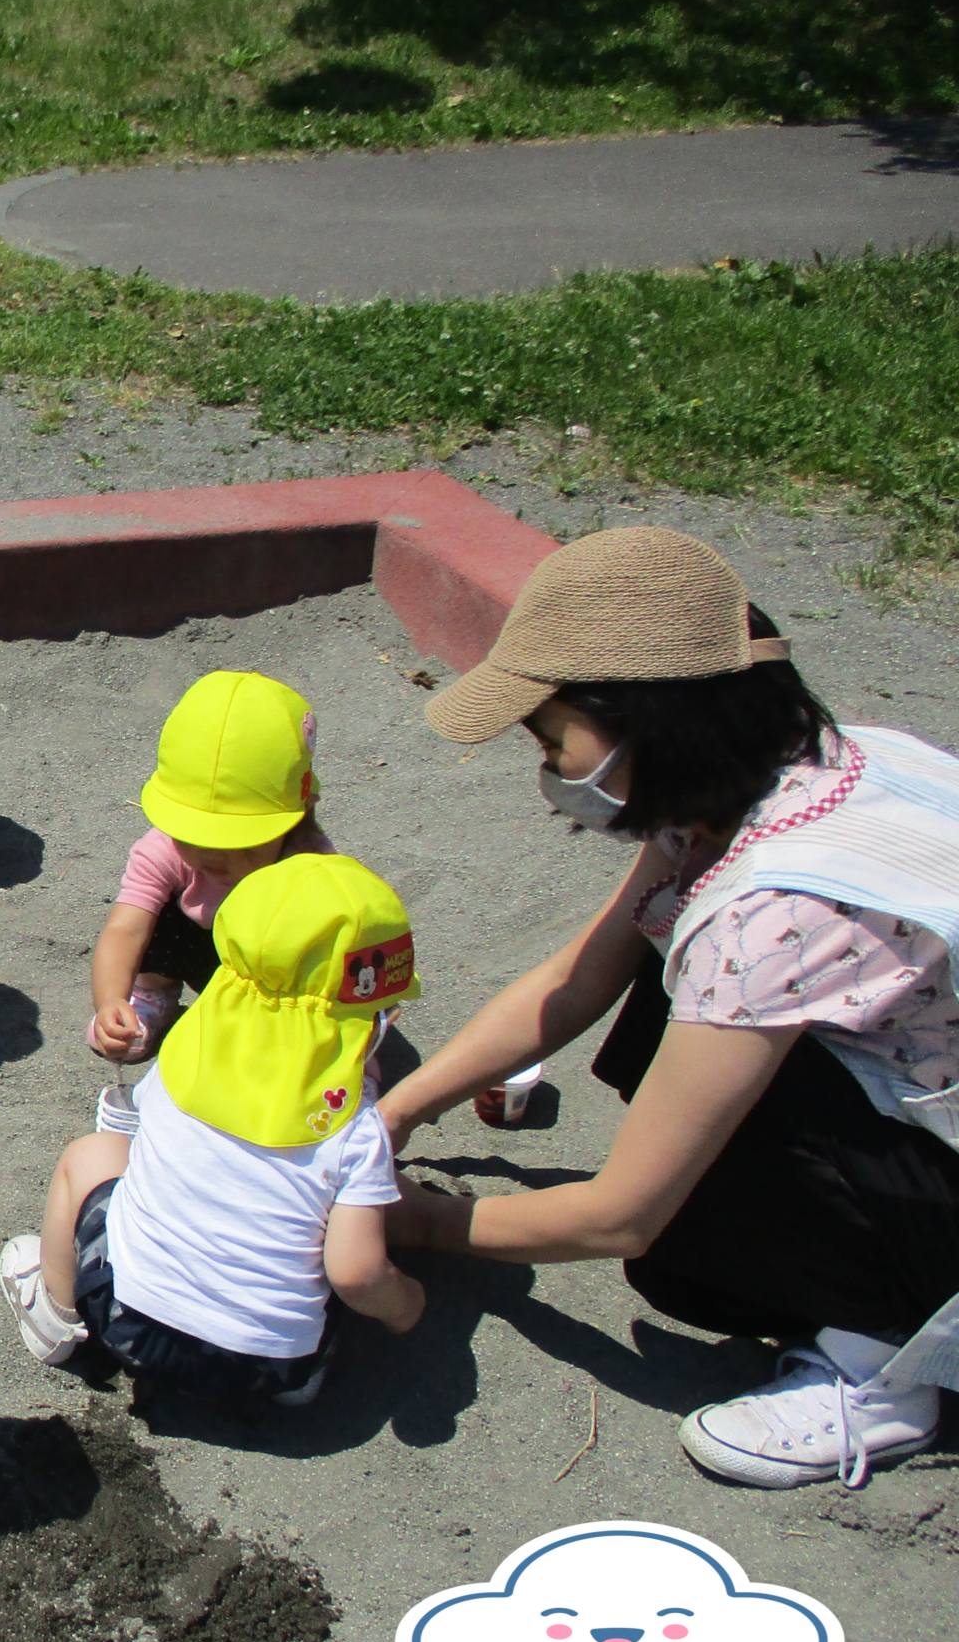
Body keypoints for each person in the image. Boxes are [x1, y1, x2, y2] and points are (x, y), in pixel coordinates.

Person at [378, 525, 959, 1490]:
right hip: (921, 1093)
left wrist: (419, 1222)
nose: (550, 765)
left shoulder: (777, 910)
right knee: (668, 973)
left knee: (677, 1249)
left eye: (554, 734)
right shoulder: (792, 771)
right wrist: (399, 1109)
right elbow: (584, 973)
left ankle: (885, 1370)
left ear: (646, 720)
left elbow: (620, 1219)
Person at [2, 854, 425, 1407]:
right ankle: (293, 1380)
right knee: (329, 1227)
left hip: (131, 1327)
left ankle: (58, 1320)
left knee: (93, 1154)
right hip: (275, 1370)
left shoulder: (180, 1065)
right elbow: (358, 1271)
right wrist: (408, 1306)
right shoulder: (354, 1129)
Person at [88, 670, 332, 1132]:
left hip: (267, 975)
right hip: (196, 949)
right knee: (155, 911)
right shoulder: (163, 849)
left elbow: (342, 954)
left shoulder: (308, 863)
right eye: (194, 835)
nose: (214, 855)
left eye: (243, 842)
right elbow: (124, 928)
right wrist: (109, 1001)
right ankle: (152, 991)